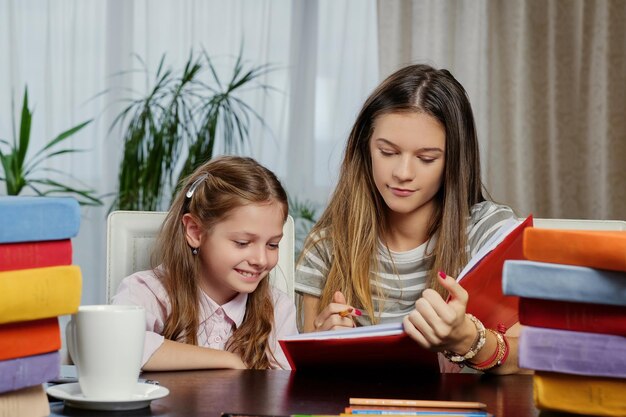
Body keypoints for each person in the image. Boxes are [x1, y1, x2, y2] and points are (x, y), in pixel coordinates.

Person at [296, 64, 523, 374]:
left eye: (426, 158)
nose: (403, 173)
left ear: (454, 161)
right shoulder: (327, 246)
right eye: (387, 152)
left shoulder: (490, 234)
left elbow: (530, 358)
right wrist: (323, 348)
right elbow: (308, 381)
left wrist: (468, 340)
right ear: (366, 148)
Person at [113, 156, 297, 370]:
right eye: (242, 242)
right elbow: (116, 342)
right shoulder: (148, 292)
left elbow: (284, 391)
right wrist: (228, 361)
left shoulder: (277, 310)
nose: (261, 260)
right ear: (195, 231)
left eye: (272, 245)